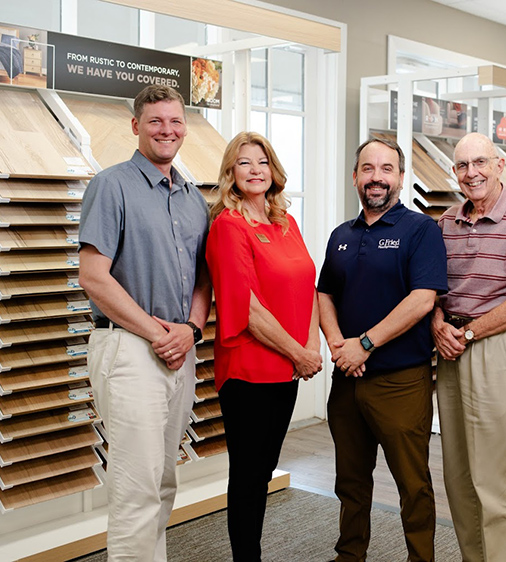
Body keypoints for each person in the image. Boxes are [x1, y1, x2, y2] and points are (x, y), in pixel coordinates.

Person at [78, 85, 211, 562]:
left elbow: (202, 278)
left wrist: (191, 330)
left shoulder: (194, 198)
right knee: (136, 486)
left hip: (180, 348)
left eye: (174, 121)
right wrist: (159, 333)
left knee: (163, 479)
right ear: (136, 126)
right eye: (155, 121)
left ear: (184, 128)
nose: (166, 130)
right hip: (132, 348)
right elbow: (93, 277)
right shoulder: (111, 185)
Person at [317, 138, 448, 562]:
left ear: (400, 177)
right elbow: (325, 295)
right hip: (346, 380)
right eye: (368, 168)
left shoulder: (421, 230)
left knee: (413, 484)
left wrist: (365, 345)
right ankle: (349, 555)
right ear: (355, 176)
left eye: (386, 169)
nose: (377, 177)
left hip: (399, 381)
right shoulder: (341, 235)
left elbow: (423, 299)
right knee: (350, 481)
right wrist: (340, 346)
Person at [432, 132, 506, 562]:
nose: (472, 172)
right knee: (459, 473)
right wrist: (437, 325)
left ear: (499, 165)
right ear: (454, 173)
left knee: (497, 476)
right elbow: (433, 290)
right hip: (451, 349)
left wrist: (467, 333)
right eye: (463, 165)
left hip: (495, 348)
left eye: (480, 162)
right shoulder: (445, 223)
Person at [206, 131, 322, 562]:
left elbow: (309, 285)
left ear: (273, 170)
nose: (255, 171)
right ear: (230, 173)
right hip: (249, 370)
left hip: (288, 368)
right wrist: (300, 352)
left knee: (265, 468)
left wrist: (310, 346)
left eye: (262, 162)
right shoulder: (228, 226)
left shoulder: (285, 222)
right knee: (249, 475)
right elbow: (246, 307)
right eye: (244, 163)